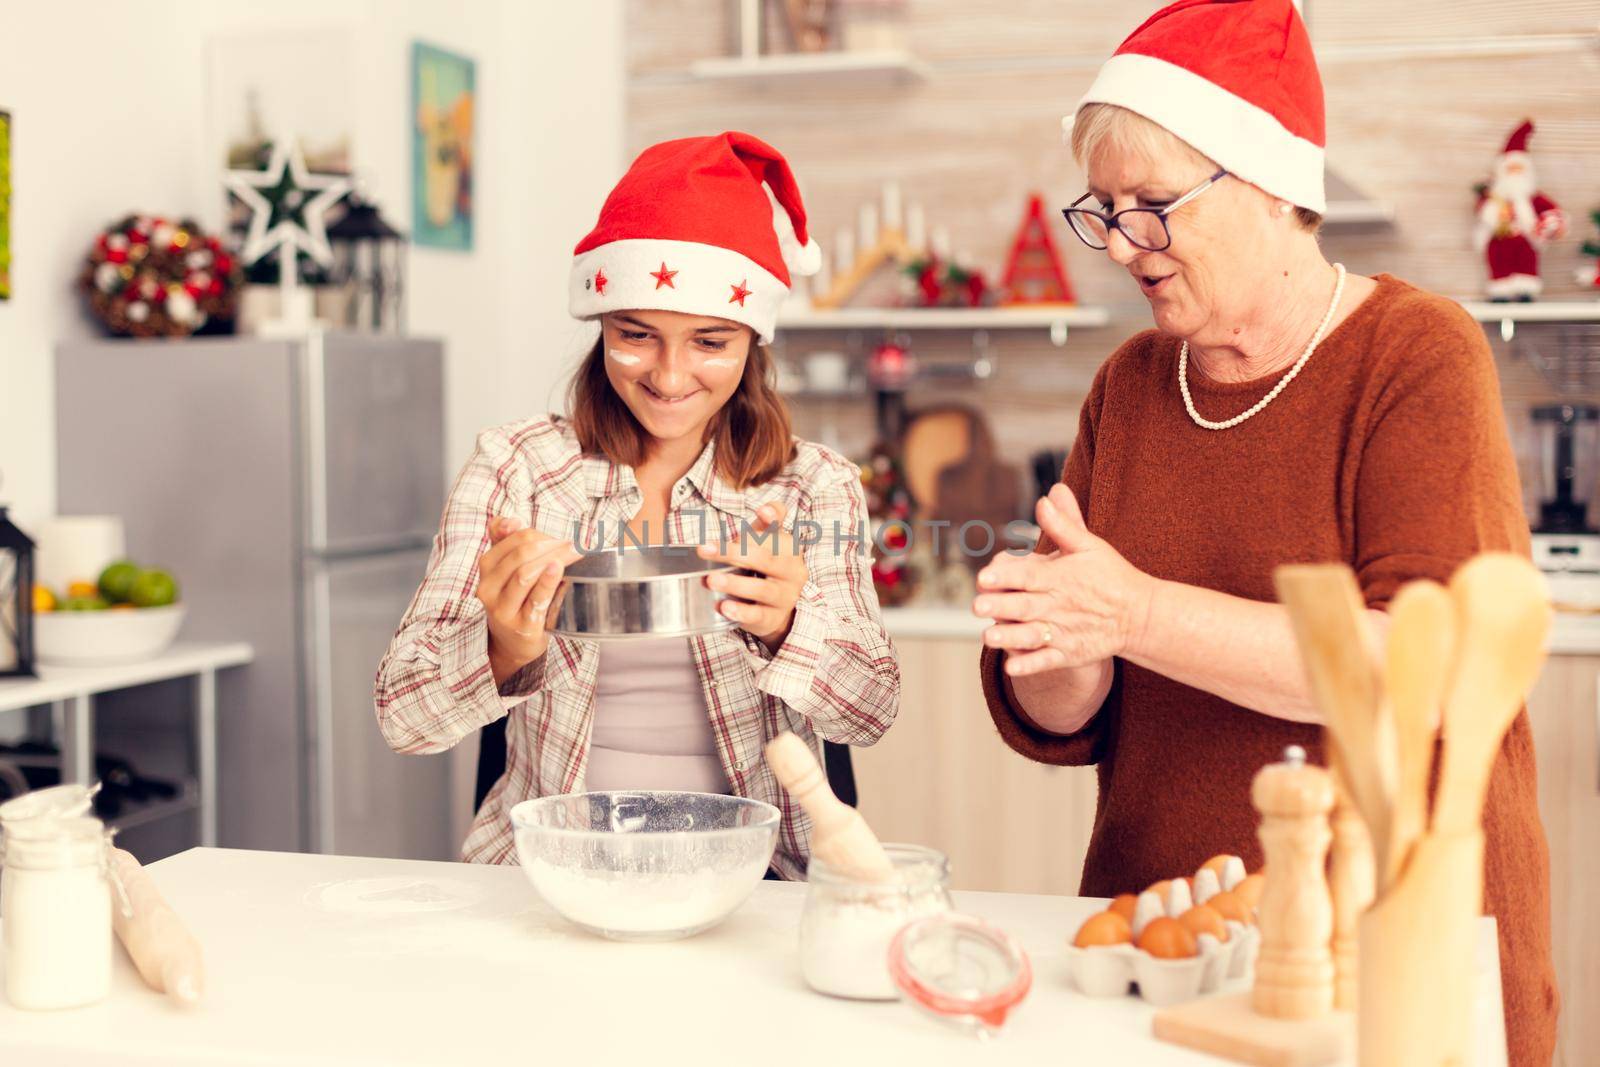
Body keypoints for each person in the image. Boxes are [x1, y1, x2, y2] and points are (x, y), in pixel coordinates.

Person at [970, 3, 1556, 1062]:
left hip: (1377, 956)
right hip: (1157, 944)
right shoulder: (1130, 384)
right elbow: (1074, 709)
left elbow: (1408, 672)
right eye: (1100, 211)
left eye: (1151, 205)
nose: (1121, 245)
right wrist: (1053, 637)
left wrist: (1133, 609)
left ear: (1272, 187)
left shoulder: (1415, 354)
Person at [375, 132, 898, 879]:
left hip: (753, 882)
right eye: (636, 335)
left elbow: (873, 706)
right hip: (549, 876)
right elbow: (403, 715)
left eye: (710, 341)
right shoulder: (518, 467)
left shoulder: (813, 487)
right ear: (600, 325)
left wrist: (790, 624)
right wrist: (505, 644)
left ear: (754, 338)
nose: (671, 374)